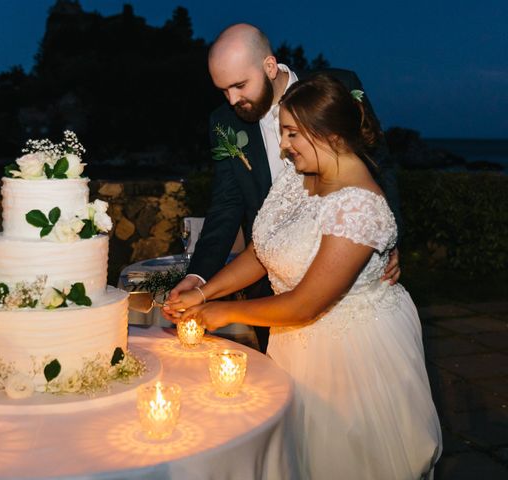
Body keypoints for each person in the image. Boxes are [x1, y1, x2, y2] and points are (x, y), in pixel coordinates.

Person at [165, 73, 442, 479]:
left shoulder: (359, 206)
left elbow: (306, 302)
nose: (283, 146)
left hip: (352, 358)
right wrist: (205, 292)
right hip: (294, 344)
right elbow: (264, 252)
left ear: (328, 133)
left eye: (292, 134)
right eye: (282, 133)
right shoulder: (299, 178)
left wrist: (221, 314)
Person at [166, 24, 400, 353]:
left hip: (349, 321)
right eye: (223, 90)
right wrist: (200, 282)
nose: (232, 100)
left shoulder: (339, 89)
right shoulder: (228, 125)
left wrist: (385, 240)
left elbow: (380, 167)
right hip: (270, 286)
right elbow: (227, 207)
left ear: (270, 66)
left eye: (239, 85)